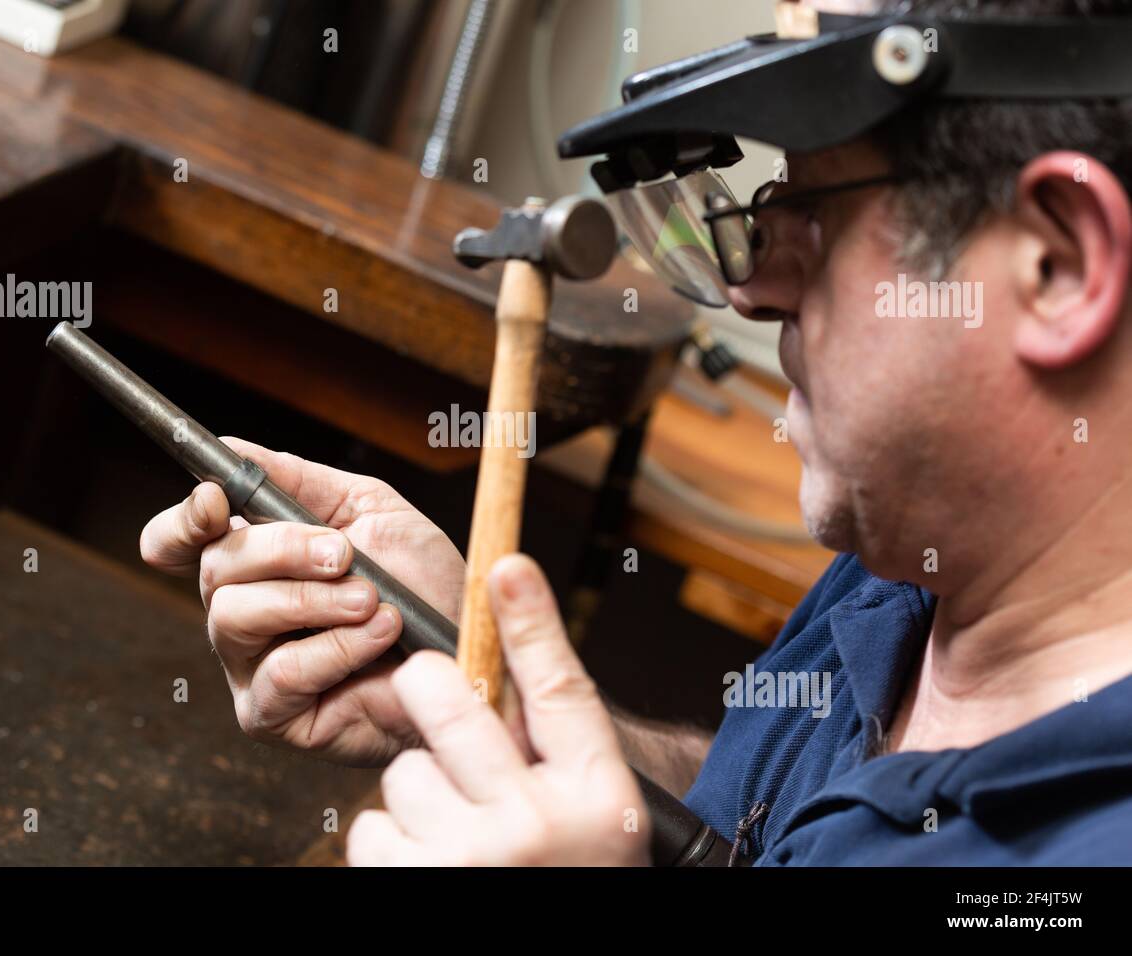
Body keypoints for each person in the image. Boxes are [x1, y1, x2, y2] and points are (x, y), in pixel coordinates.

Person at [139, 0, 1132, 865]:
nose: (749, 286)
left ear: (1055, 264)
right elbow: (764, 835)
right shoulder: (919, 554)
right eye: (767, 195)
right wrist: (510, 713)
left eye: (818, 208)